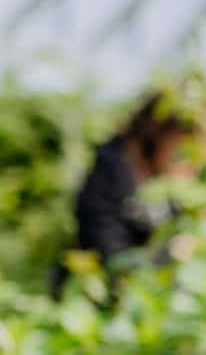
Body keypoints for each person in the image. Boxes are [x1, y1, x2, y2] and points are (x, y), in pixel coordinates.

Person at [51, 89, 197, 294]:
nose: (187, 158)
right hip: (92, 297)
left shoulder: (168, 182)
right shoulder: (106, 175)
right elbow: (109, 257)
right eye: (179, 147)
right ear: (157, 136)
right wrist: (166, 254)